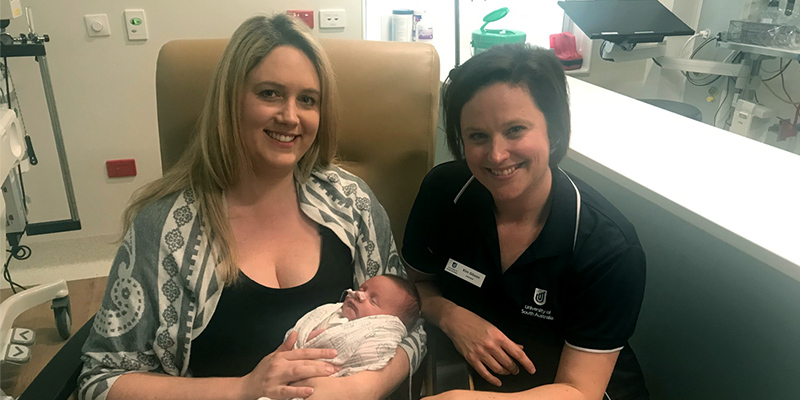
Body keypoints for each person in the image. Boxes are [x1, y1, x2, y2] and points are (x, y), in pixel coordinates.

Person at [78, 14, 425, 400]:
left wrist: (366, 387)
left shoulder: (351, 202)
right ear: (231, 101)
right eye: (270, 93)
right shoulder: (164, 230)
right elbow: (102, 380)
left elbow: (410, 327)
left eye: (307, 100)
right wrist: (244, 388)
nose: (290, 117)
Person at [402, 44, 649, 400]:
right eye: (477, 136)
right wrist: (451, 316)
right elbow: (415, 285)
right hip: (473, 379)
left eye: (516, 130)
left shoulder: (606, 245)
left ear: (555, 131)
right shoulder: (443, 192)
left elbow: (579, 390)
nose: (497, 154)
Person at [259, 274, 422, 400]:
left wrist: (323, 340)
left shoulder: (381, 334)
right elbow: (299, 332)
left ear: (389, 322)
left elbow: (367, 358)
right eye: (363, 289)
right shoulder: (331, 311)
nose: (359, 295)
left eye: (373, 300)